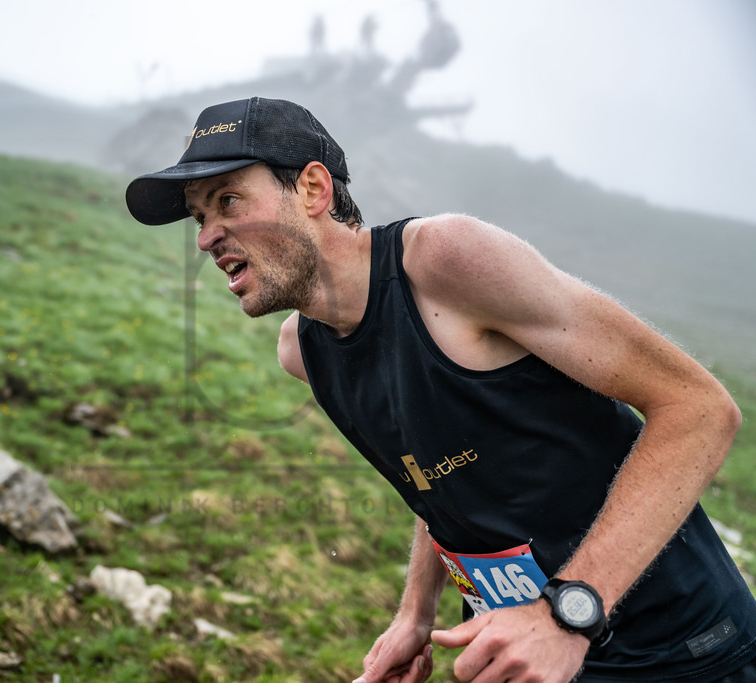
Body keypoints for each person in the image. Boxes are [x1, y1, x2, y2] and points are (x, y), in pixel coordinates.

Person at [124, 97, 756, 682]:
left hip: (683, 649)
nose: (206, 237)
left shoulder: (444, 262)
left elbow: (699, 409)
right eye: (201, 216)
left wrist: (568, 614)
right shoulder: (304, 351)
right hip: (518, 654)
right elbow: (434, 479)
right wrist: (416, 613)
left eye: (228, 200)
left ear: (313, 188)